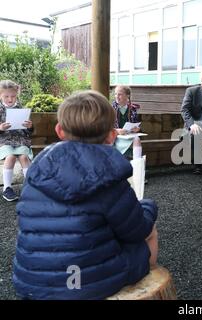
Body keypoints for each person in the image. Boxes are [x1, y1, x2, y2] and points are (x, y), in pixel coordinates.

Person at [13, 90, 159, 300]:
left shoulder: (37, 169)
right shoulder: (109, 175)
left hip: (30, 281)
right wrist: (148, 206)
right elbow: (136, 230)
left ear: (59, 131)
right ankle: (141, 287)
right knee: (150, 231)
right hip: (85, 284)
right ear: (112, 136)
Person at [0, 80, 33, 202]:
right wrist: (1, 128)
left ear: (16, 95)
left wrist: (29, 127)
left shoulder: (21, 108)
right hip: (4, 141)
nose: (10, 99)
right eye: (6, 96)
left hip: (20, 140)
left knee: (24, 157)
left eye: (13, 96)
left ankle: (31, 187)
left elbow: (28, 130)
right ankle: (7, 188)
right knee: (11, 157)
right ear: (0, 96)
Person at [112, 85, 143, 160]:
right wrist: (116, 131)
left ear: (127, 96)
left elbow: (136, 124)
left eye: (120, 94)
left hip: (128, 135)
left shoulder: (133, 109)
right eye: (116, 94)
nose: (117, 96)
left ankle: (137, 163)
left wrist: (137, 129)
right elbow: (104, 127)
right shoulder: (110, 108)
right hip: (115, 136)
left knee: (137, 139)